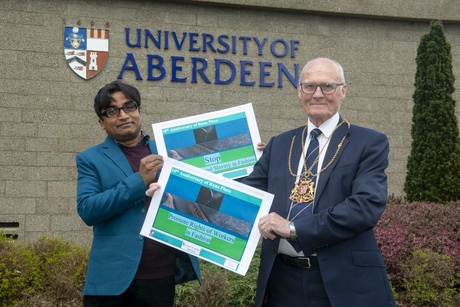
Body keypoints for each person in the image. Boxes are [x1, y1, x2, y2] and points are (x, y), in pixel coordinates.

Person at [241, 57, 396, 306]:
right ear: (299, 91)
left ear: (343, 91)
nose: (318, 94)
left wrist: (294, 229)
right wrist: (173, 185)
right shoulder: (279, 144)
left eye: (327, 86)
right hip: (282, 280)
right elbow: (245, 192)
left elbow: (365, 206)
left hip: (344, 282)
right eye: (309, 86)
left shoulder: (368, 142)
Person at [76, 81, 201, 307]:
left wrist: (253, 159)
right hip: (111, 282)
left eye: (129, 107)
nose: (123, 115)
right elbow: (87, 209)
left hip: (161, 277)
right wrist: (138, 181)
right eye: (112, 111)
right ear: (101, 122)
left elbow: (210, 184)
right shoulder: (89, 159)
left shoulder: (169, 150)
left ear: (139, 111)